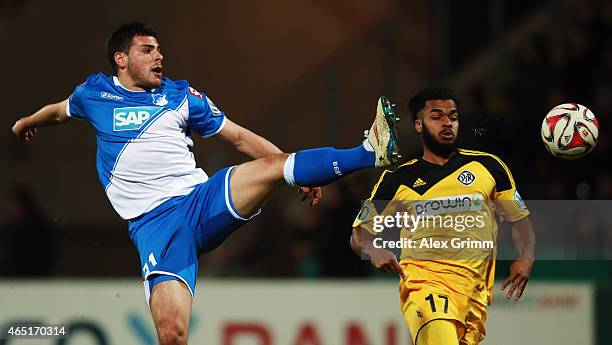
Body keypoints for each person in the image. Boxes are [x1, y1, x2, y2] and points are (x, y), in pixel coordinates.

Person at [11, 22, 400, 345]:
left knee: (271, 166)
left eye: (159, 49)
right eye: (147, 50)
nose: (159, 56)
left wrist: (292, 171)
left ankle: (370, 151)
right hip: (156, 227)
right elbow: (59, 112)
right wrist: (29, 121)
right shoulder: (93, 94)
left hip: (201, 200)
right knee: (172, 334)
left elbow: (241, 139)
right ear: (122, 58)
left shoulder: (182, 96)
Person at [350, 86, 535, 345]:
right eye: (436, 116)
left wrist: (526, 256)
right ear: (418, 125)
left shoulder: (489, 167)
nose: (447, 122)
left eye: (453, 116)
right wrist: (373, 249)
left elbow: (519, 220)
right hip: (425, 287)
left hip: (474, 297)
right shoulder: (396, 180)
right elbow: (358, 233)